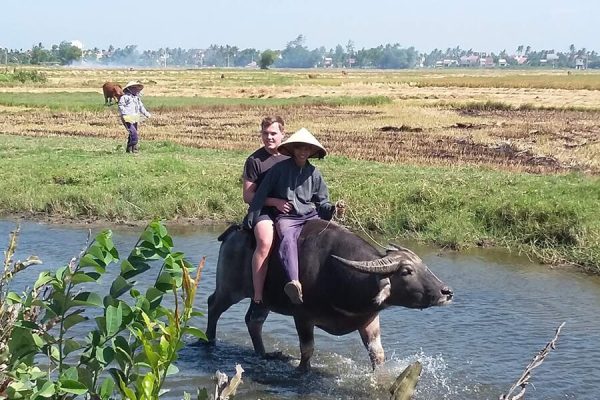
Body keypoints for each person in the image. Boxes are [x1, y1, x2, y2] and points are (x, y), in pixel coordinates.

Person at [246, 128, 334, 305]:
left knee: (332, 235)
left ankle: (330, 283)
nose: (303, 152)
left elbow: (323, 201)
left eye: (307, 149)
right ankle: (294, 282)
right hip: (288, 218)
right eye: (300, 148)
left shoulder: (314, 173)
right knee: (287, 238)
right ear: (293, 149)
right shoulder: (278, 169)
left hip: (310, 214)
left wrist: (332, 208)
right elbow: (260, 194)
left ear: (311, 152)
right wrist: (252, 215)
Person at [242, 116, 289, 309]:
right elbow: (248, 196)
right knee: (265, 241)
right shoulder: (254, 160)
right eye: (265, 133)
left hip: (289, 209)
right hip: (263, 210)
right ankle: (258, 295)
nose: (269, 137)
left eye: (273, 133)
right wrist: (274, 202)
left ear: (283, 134)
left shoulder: (291, 156)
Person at [118, 81, 151, 154]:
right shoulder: (125, 97)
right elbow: (121, 106)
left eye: (137, 88)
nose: (137, 90)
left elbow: (141, 107)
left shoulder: (137, 98)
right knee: (134, 133)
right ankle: (134, 148)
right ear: (130, 89)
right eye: (135, 88)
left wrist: (146, 114)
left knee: (132, 133)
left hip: (135, 117)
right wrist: (124, 113)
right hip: (127, 117)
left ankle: (129, 150)